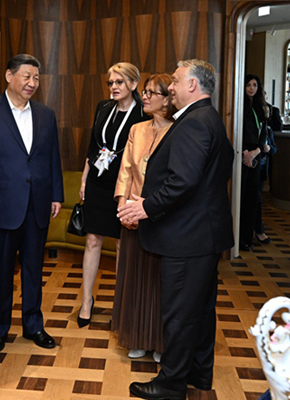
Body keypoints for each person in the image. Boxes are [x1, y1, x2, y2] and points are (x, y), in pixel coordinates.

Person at [118, 59, 234, 400]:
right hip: (202, 235)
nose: (171, 87)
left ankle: (170, 384)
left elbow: (182, 181)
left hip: (187, 237)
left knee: (180, 314)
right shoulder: (210, 118)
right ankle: (198, 374)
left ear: (192, 85)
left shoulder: (194, 122)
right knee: (199, 311)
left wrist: (146, 206)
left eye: (177, 81)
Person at [0, 54, 64, 353]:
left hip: (38, 203)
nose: (32, 83)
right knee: (1, 270)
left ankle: (34, 325)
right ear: (9, 76)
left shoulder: (46, 114)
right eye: (26, 76)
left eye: (36, 78)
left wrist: (56, 194)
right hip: (2, 204)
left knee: (34, 269)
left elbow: (52, 157)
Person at [77, 62, 149, 328]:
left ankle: (121, 304)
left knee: (122, 244)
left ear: (133, 84)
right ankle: (86, 300)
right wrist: (84, 178)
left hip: (126, 185)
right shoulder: (103, 107)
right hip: (98, 180)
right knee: (92, 239)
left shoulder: (143, 112)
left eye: (119, 82)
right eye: (111, 82)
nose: (114, 87)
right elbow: (93, 146)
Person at [111, 73, 174, 362]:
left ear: (167, 99)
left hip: (162, 218)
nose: (145, 97)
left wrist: (150, 208)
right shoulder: (137, 129)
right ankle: (137, 337)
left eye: (151, 92)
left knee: (159, 283)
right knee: (134, 280)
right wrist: (123, 208)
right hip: (132, 218)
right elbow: (125, 171)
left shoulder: (178, 130)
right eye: (145, 91)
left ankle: (160, 342)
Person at [240, 74, 268, 251]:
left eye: (255, 85)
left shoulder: (260, 108)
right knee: (241, 197)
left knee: (253, 197)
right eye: (248, 85)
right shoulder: (239, 105)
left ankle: (248, 238)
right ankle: (241, 238)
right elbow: (236, 129)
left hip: (256, 154)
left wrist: (256, 152)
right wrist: (245, 153)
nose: (252, 88)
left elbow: (264, 133)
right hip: (242, 154)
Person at [254, 120, 277, 244]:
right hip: (252, 167)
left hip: (262, 171)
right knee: (256, 201)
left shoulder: (268, 130)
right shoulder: (252, 130)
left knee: (258, 200)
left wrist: (269, 148)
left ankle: (258, 229)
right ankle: (258, 230)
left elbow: (274, 149)